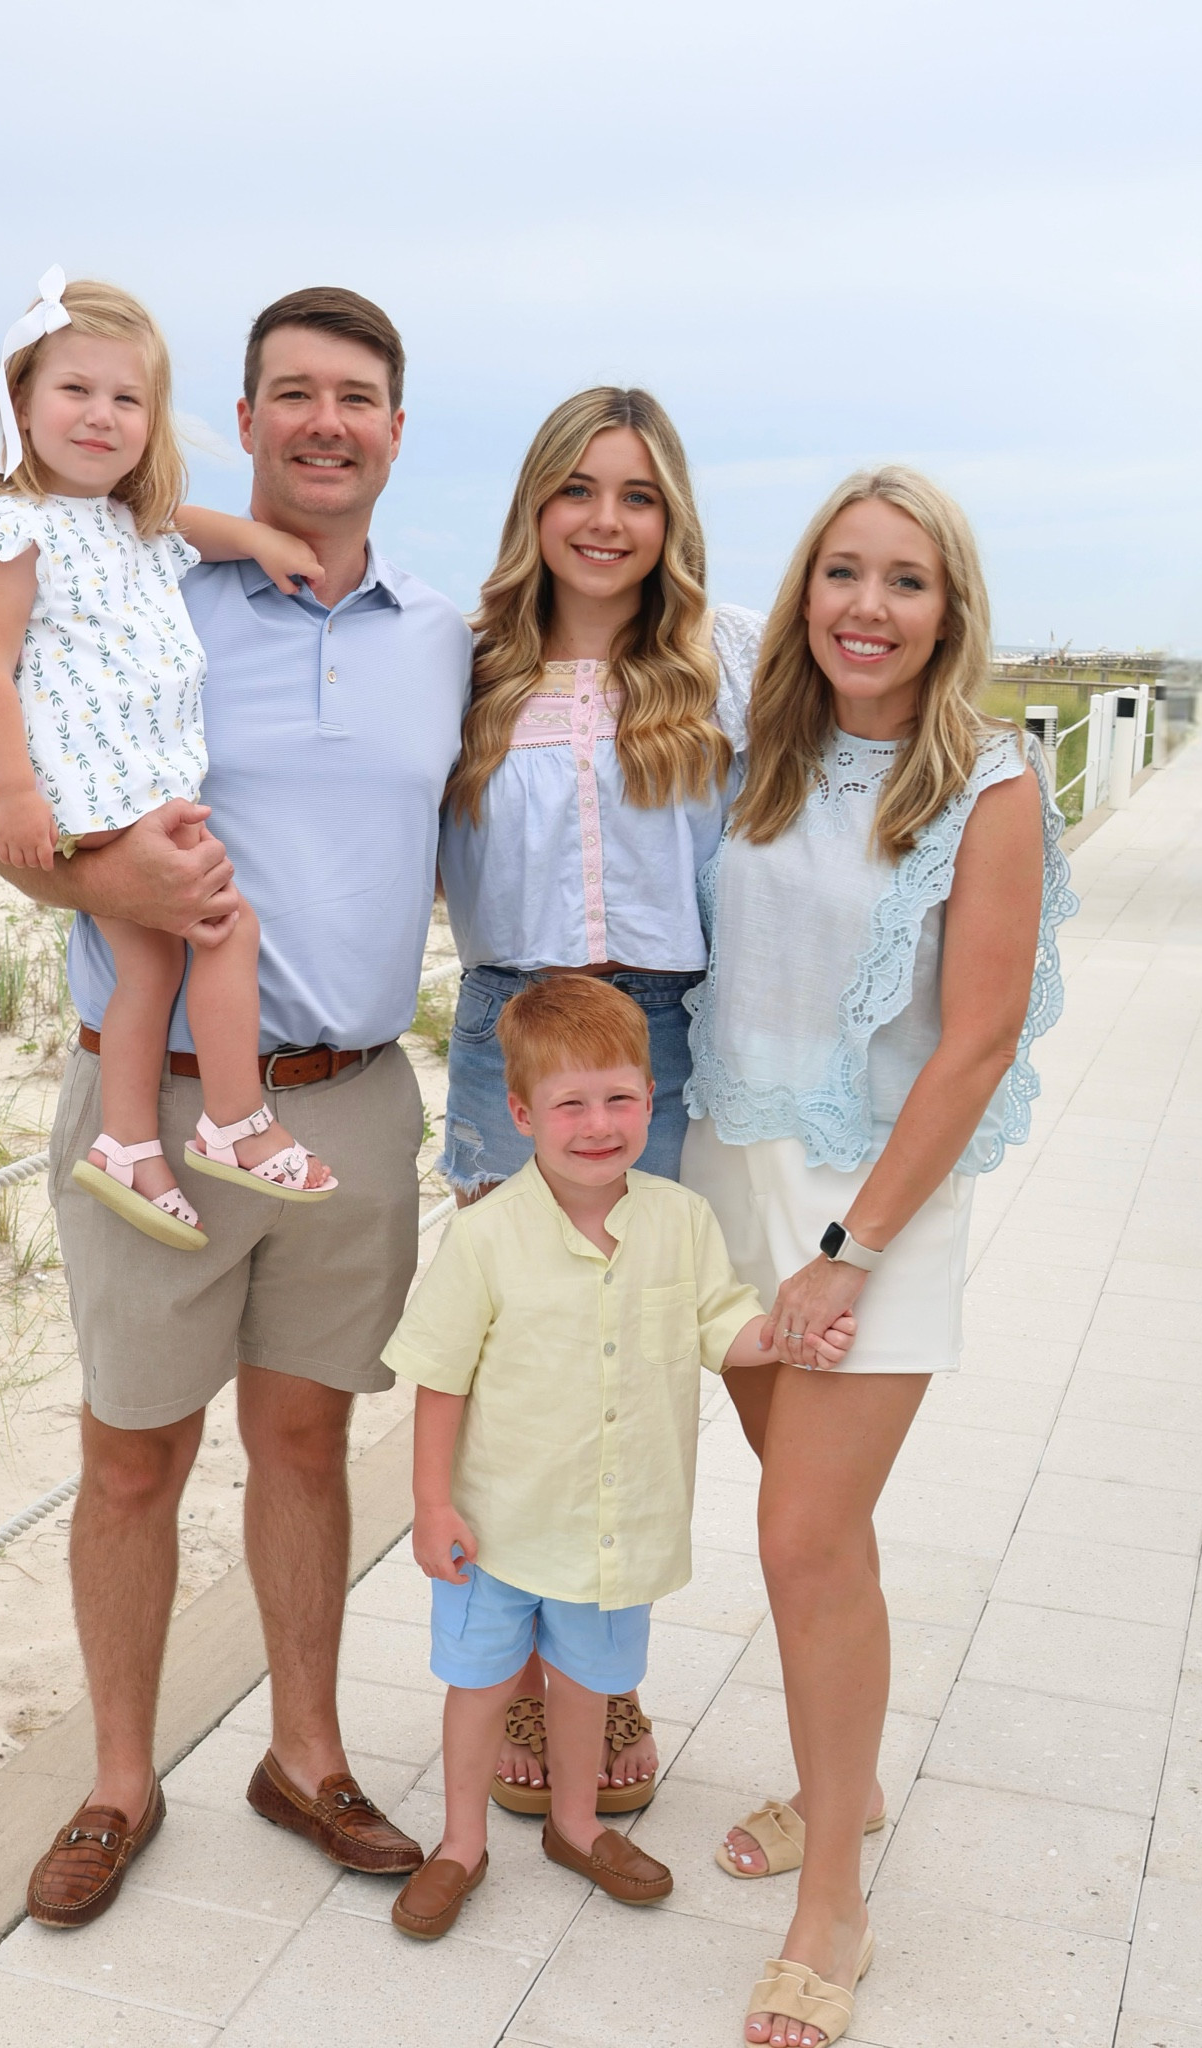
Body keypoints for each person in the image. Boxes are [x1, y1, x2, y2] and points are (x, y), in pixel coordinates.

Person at [0, 285, 472, 1926]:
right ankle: (120, 1779)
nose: (326, 421)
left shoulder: (445, 638)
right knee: (133, 1453)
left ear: (398, 429)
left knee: (307, 1441)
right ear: (242, 424)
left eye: (358, 396)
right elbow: (0, 804)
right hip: (159, 1096)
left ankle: (305, 1753)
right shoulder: (146, 593)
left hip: (352, 1099)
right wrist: (111, 871)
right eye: (292, 394)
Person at [680, 466, 1076, 2047]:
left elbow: (974, 1043)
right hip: (730, 1169)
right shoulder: (748, 752)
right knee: (814, 1535)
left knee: (799, 1539)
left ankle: (829, 1898)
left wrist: (848, 1251)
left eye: (903, 580)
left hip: (873, 1206)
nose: (865, 605)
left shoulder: (986, 779)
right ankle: (837, 1785)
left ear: (948, 610)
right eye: (839, 572)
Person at [437, 385, 763, 1815]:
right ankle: (506, 1673)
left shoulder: (724, 667)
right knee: (521, 1358)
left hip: (660, 1034)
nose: (605, 520)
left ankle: (603, 1675)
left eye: (635, 494)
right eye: (577, 489)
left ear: (668, 517)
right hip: (506, 1020)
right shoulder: (461, 667)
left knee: (626, 1354)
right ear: (535, 507)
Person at [381, 977, 854, 1940]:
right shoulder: (484, 1238)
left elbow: (724, 1326)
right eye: (570, 1104)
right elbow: (440, 1378)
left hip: (615, 1521)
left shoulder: (680, 1220)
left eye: (620, 1099)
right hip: (499, 1524)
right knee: (479, 1686)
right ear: (520, 1113)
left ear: (653, 1098)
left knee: (591, 1683)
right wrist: (432, 1505)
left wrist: (790, 1335)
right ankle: (461, 1844)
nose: (598, 1125)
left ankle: (575, 1823)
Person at [0, 271, 337, 1251]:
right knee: (224, 922)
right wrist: (16, 799)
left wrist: (267, 540)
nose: (101, 415)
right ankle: (236, 1119)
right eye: (75, 390)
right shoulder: (12, 530)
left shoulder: (128, 522)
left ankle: (127, 1140)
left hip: (127, 779)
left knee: (147, 958)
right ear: (20, 401)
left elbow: (194, 526)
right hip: (74, 784)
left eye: (127, 398)